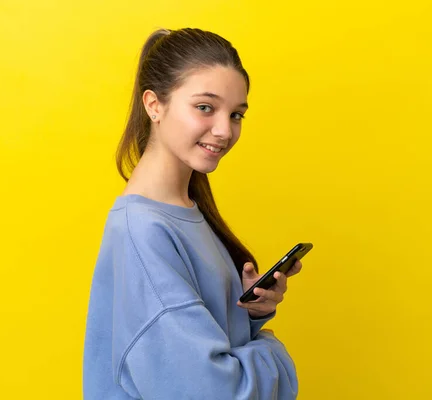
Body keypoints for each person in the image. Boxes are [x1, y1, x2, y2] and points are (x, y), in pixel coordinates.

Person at [83, 27, 303, 400]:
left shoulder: (187, 212)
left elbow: (186, 354)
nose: (224, 130)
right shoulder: (143, 232)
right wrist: (274, 354)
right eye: (205, 107)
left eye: (236, 115)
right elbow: (210, 391)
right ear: (154, 105)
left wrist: (249, 313)